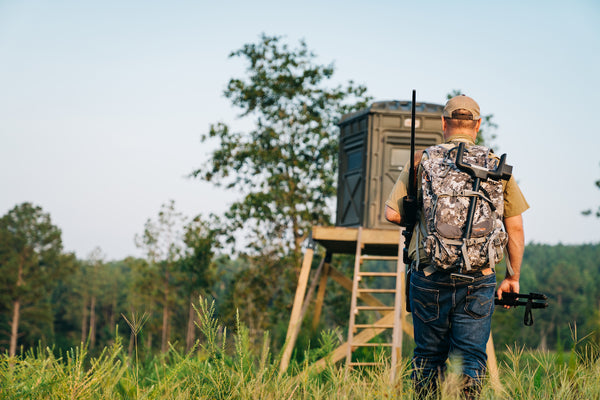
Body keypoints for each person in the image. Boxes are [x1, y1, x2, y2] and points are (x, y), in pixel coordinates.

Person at [385, 95, 529, 399]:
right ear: (477, 125)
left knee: (428, 357)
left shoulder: (422, 162)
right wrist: (512, 277)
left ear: (443, 123)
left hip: (429, 273)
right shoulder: (497, 167)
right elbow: (514, 228)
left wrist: (422, 214)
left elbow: (392, 214)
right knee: (471, 359)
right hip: (479, 277)